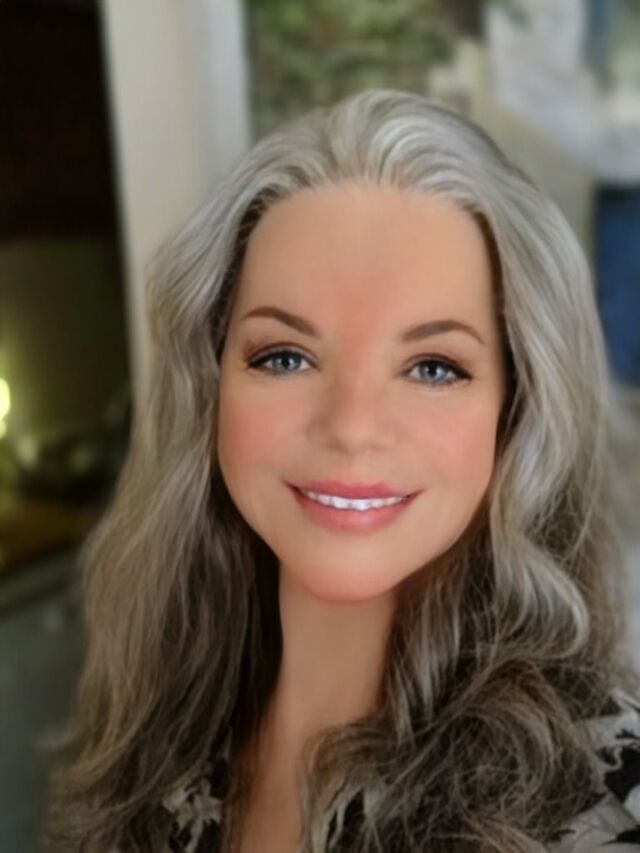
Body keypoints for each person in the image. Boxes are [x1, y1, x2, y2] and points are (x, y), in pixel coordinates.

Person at [44, 88, 640, 853]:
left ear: (516, 408)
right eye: (285, 356)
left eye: (433, 367)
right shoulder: (153, 735)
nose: (352, 427)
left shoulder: (604, 804)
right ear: (211, 386)